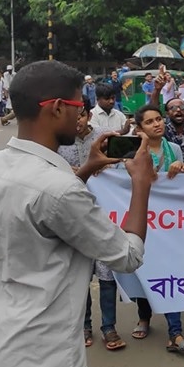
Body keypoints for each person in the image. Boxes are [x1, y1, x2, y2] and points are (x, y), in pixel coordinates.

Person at [0, 60, 156, 367]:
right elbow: (127, 255)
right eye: (78, 105)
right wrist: (142, 184)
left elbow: (42, 209)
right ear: (55, 108)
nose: (83, 113)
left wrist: (86, 168)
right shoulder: (57, 190)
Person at [128, 104, 184, 353]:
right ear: (140, 128)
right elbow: (123, 179)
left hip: (169, 224)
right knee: (144, 271)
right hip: (143, 222)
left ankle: (175, 333)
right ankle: (144, 317)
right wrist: (143, 146)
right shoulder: (134, 150)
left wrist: (183, 168)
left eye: (158, 119)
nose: (156, 124)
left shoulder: (174, 149)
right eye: (149, 122)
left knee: (170, 274)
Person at [57, 107, 125, 352]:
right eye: (71, 117)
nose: (77, 122)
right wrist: (71, 172)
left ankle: (109, 326)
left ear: (87, 115)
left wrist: (107, 167)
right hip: (73, 217)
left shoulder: (105, 136)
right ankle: (84, 325)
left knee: (107, 276)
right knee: (80, 276)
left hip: (105, 214)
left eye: (81, 116)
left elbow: (124, 161)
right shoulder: (58, 141)